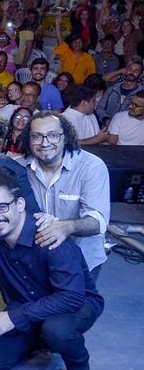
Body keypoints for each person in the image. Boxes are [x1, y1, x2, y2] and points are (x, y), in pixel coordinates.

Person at [0, 174, 103, 370]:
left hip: (75, 304)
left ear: (21, 204)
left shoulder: (49, 236)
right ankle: (38, 339)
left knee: (57, 330)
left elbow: (72, 297)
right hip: (29, 306)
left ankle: (78, 368)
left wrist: (16, 316)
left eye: (2, 207)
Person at [20, 112, 110, 278]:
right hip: (37, 261)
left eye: (53, 135)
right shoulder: (19, 167)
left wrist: (67, 227)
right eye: (36, 137)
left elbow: (98, 222)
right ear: (28, 140)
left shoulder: (91, 167)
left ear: (66, 137)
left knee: (78, 304)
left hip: (82, 260)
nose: (44, 143)